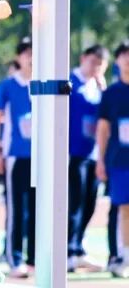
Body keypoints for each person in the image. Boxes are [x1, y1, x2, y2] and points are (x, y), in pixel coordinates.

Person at [0, 38, 36, 278]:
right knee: (17, 209)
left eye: (34, 52)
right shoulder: (8, 86)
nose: (31, 58)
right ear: (19, 57)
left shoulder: (45, 84)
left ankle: (35, 260)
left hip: (41, 158)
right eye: (26, 53)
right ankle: (15, 259)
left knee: (39, 209)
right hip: (16, 156)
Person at [68, 44, 107, 272]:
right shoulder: (70, 82)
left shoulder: (99, 88)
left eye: (100, 65)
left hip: (93, 155)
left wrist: (103, 89)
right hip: (72, 154)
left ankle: (78, 248)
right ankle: (67, 251)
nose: (95, 68)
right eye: (92, 62)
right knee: (73, 204)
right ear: (83, 58)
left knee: (90, 204)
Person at [97, 42, 129, 279]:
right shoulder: (111, 94)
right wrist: (100, 160)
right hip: (119, 161)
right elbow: (103, 129)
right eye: (124, 56)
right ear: (117, 61)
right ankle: (123, 257)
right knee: (123, 209)